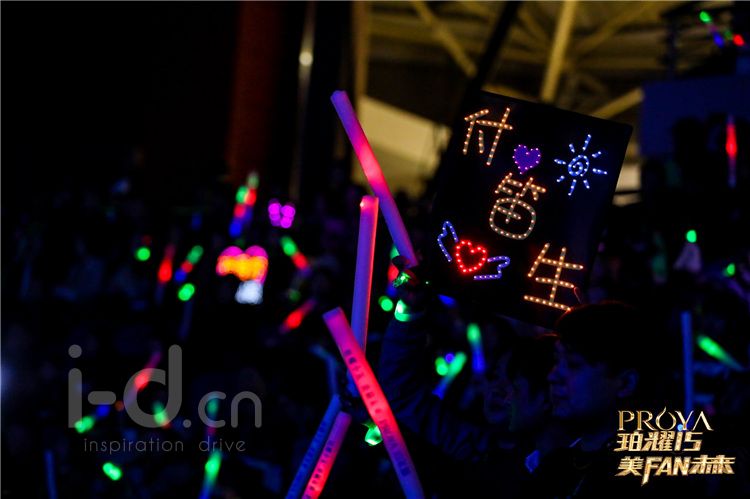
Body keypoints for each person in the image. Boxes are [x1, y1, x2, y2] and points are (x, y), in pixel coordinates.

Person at [378, 261, 569, 497]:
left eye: (512, 380)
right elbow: (402, 394)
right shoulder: (475, 447)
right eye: (494, 376)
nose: (497, 390)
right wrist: (409, 311)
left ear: (550, 393)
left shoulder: (568, 477)